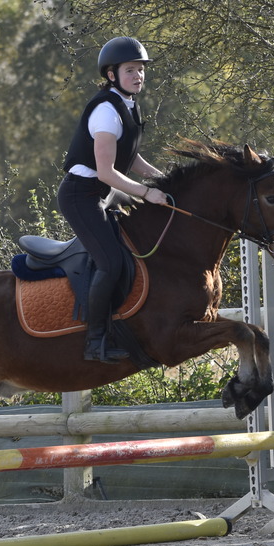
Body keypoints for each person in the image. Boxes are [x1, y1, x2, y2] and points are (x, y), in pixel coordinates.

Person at [58, 36, 167, 363]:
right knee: (111, 261)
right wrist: (148, 193)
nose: (138, 76)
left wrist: (162, 178)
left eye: (141, 71)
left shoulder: (128, 105)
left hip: (101, 193)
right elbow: (106, 172)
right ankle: (94, 341)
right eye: (131, 70)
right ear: (111, 75)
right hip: (81, 195)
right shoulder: (106, 111)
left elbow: (130, 158)